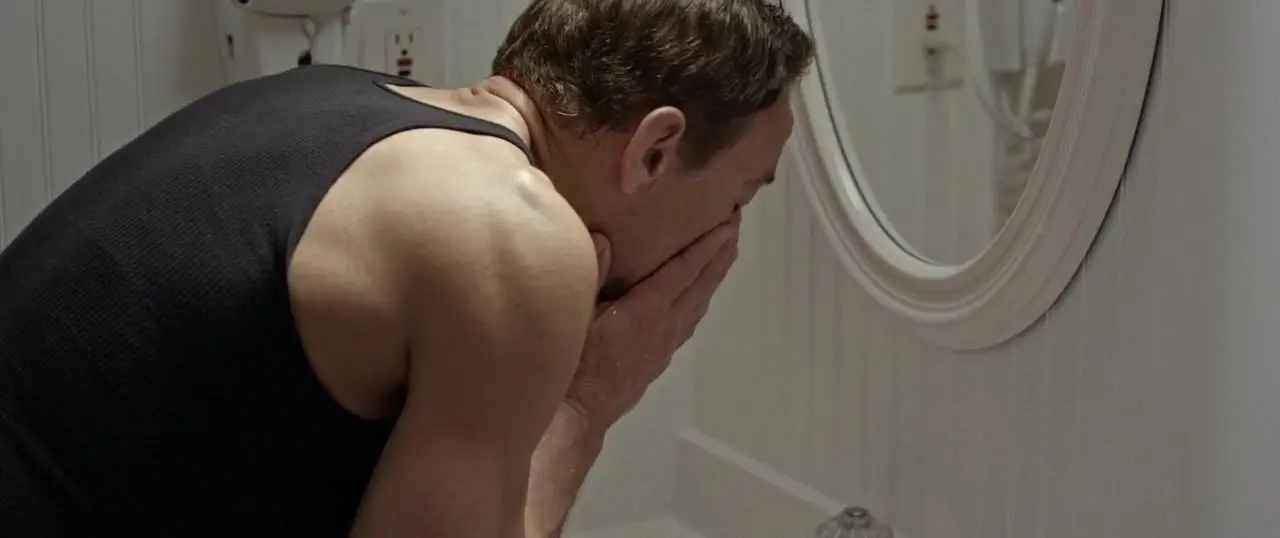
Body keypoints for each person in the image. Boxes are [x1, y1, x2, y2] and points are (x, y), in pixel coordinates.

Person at [0, 0, 815, 536]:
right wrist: (586, 405)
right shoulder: (512, 230)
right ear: (656, 150)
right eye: (740, 195)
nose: (728, 236)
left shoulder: (345, 106)